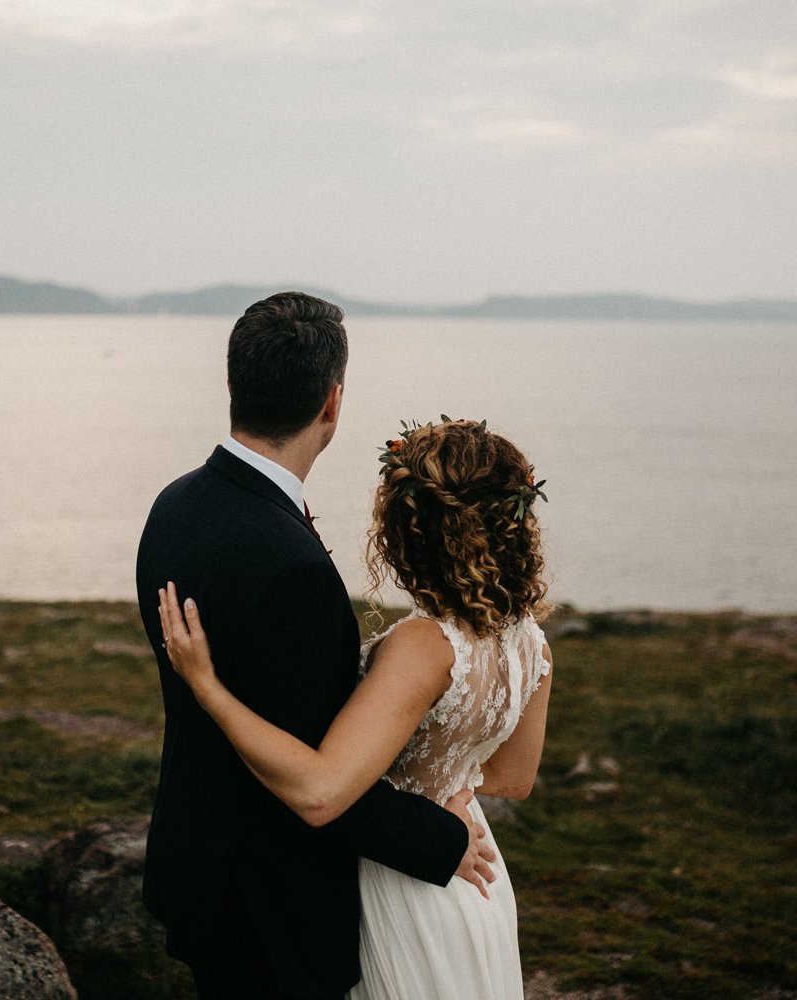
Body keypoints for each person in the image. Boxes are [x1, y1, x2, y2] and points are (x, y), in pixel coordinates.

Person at [134, 291, 497, 1000]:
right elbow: (317, 783)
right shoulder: (293, 568)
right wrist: (440, 839)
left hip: (198, 855)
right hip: (271, 902)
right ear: (332, 403)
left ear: (237, 385)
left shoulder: (175, 504)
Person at [158, 415, 553, 1000]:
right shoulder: (531, 641)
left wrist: (207, 686)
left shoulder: (424, 646)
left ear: (407, 532)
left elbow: (321, 791)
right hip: (477, 890)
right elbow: (514, 780)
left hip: (408, 890)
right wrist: (444, 787)